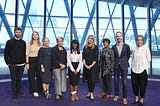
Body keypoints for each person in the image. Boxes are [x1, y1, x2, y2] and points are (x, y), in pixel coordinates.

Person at [4, 27, 26, 100]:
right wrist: (8, 63)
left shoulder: (23, 42)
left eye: (19, 32)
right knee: (14, 79)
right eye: (17, 32)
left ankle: (18, 91)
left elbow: (24, 53)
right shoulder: (9, 42)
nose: (18, 33)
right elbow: (6, 53)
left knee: (19, 79)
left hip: (21, 64)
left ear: (21, 33)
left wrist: (25, 62)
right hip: (12, 64)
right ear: (14, 33)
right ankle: (15, 94)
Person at [131, 35, 151, 106]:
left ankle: (142, 99)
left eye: (140, 40)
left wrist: (143, 64)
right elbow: (132, 58)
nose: (139, 41)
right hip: (134, 70)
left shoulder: (146, 48)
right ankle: (136, 98)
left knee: (142, 86)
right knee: (134, 85)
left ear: (142, 41)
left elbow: (149, 59)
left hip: (143, 70)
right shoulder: (134, 49)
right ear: (136, 41)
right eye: (138, 40)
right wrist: (132, 65)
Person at [112, 31, 130, 105]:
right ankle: (117, 95)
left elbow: (128, 55)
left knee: (124, 82)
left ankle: (124, 97)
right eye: (117, 36)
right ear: (116, 37)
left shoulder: (126, 46)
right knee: (116, 82)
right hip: (116, 66)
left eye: (120, 36)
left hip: (124, 66)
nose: (118, 37)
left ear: (122, 37)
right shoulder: (113, 47)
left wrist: (123, 62)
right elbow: (113, 57)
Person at [26, 31, 42, 97]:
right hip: (31, 60)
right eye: (33, 35)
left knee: (39, 75)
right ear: (32, 36)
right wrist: (27, 63)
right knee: (31, 76)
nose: (35, 36)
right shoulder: (29, 43)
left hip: (38, 60)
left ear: (38, 36)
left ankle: (39, 89)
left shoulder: (41, 43)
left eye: (36, 35)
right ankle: (33, 90)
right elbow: (27, 54)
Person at [82, 35, 99, 101]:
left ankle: (91, 93)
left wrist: (91, 66)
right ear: (87, 39)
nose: (90, 40)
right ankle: (89, 92)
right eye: (89, 38)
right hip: (86, 66)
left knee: (92, 80)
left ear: (93, 40)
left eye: (91, 39)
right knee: (88, 80)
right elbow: (83, 57)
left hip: (93, 66)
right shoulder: (85, 47)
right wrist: (85, 65)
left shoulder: (95, 47)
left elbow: (96, 58)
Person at [51, 37, 67, 101]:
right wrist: (60, 64)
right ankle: (57, 94)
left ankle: (60, 93)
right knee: (58, 80)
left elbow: (65, 58)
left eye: (61, 41)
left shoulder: (64, 49)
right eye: (59, 41)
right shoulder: (54, 49)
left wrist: (64, 65)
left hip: (63, 67)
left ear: (63, 42)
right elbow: (53, 58)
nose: (60, 42)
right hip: (56, 67)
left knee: (62, 80)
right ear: (57, 42)